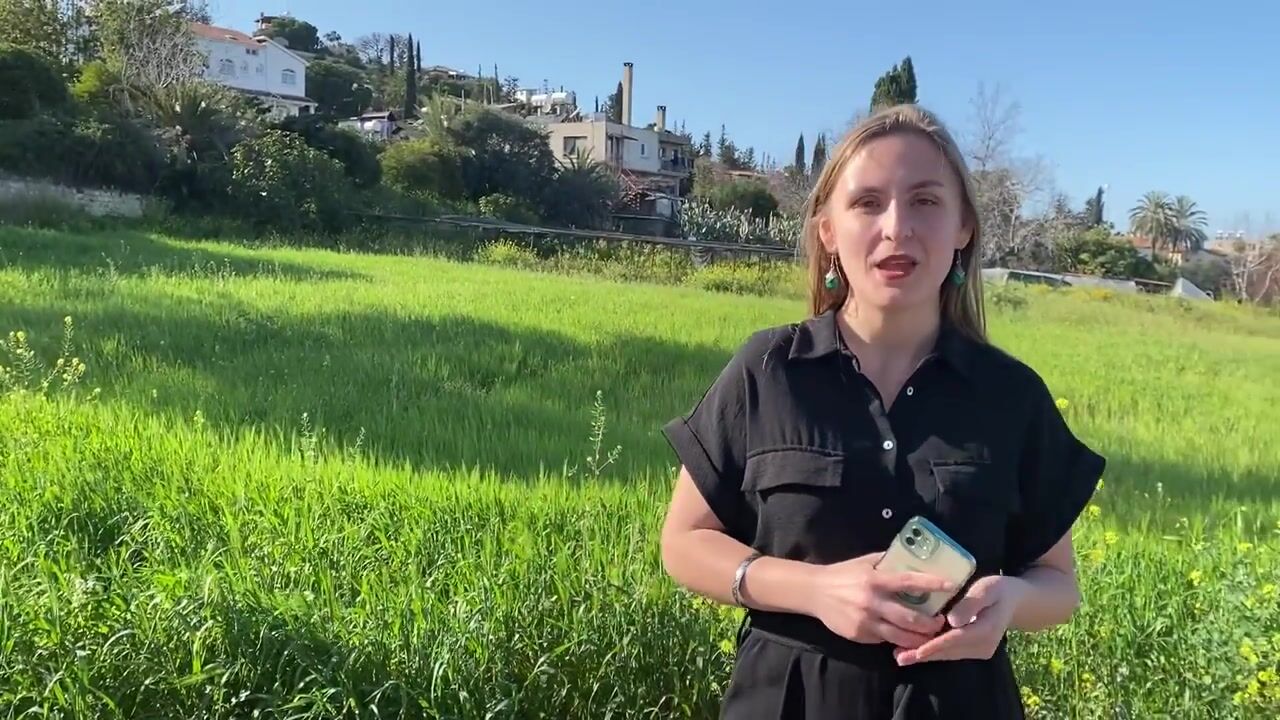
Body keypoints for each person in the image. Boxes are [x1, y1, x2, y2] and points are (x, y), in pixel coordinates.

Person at [658, 104, 1105, 719]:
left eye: (925, 201)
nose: (897, 227)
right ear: (828, 232)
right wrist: (815, 590)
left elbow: (1058, 585)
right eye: (868, 203)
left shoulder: (1013, 397)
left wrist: (1011, 602)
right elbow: (684, 543)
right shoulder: (768, 370)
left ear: (963, 227)